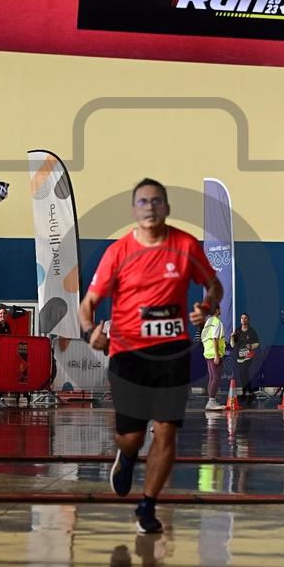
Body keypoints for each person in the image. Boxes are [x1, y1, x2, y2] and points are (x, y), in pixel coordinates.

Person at [79, 178, 223, 534]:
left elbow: (214, 285)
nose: (150, 207)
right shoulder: (118, 252)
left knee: (166, 431)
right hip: (128, 355)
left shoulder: (185, 245)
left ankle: (147, 505)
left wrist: (206, 306)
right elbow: (88, 304)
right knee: (132, 436)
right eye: (142, 201)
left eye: (156, 201)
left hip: (172, 353)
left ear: (167, 208)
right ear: (133, 210)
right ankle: (127, 456)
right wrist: (90, 332)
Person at [201, 302, 226, 411]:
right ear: (216, 310)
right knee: (216, 378)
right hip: (214, 354)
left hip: (208, 353)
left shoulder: (208, 322)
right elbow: (215, 339)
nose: (221, 310)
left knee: (212, 378)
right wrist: (217, 355)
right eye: (219, 308)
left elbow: (204, 338)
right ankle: (211, 402)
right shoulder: (217, 322)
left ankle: (212, 401)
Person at [230, 313, 260, 400]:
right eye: (242, 318)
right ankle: (247, 392)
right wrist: (232, 337)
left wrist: (251, 346)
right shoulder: (237, 331)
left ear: (248, 320)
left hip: (249, 355)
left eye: (245, 318)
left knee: (244, 371)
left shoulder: (251, 331)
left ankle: (247, 392)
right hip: (240, 356)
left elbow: (257, 343)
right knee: (243, 374)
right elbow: (232, 345)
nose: (243, 320)